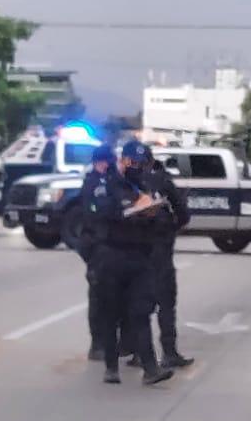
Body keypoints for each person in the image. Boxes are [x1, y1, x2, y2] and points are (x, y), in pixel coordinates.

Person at [89, 140, 173, 386]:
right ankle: (111, 367)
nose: (136, 167)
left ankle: (151, 369)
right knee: (110, 313)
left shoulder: (144, 186)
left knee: (141, 313)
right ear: (123, 161)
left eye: (141, 163)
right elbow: (101, 215)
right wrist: (132, 210)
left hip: (139, 259)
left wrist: (152, 212)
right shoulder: (106, 184)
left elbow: (163, 222)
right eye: (132, 162)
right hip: (111, 257)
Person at [139, 154, 193, 369]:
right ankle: (169, 352)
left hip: (137, 253)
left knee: (139, 305)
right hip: (160, 252)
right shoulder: (162, 181)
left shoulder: (125, 183)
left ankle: (138, 353)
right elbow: (183, 214)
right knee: (166, 303)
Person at [78, 148, 116, 361]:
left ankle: (115, 342)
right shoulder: (94, 184)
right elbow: (95, 215)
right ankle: (98, 343)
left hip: (111, 246)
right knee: (99, 297)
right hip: (98, 247)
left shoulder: (110, 182)